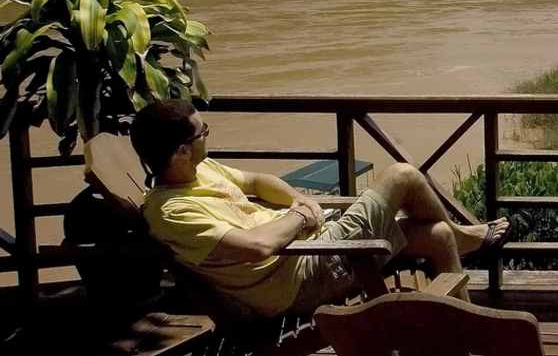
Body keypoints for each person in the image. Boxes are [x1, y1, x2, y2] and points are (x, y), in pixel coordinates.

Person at [130, 99, 509, 317]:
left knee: (437, 236)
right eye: (203, 132)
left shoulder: (202, 169)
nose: (208, 135)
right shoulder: (172, 212)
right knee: (402, 175)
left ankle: (471, 325)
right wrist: (299, 218)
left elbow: (256, 181)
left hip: (317, 244)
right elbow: (257, 247)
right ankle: (468, 239)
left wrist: (300, 200)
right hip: (302, 277)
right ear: (180, 151)